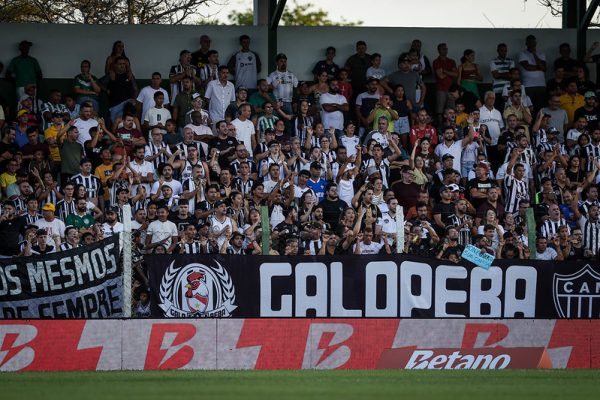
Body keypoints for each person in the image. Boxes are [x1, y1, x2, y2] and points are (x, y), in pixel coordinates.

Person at [518, 35, 547, 112]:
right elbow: (527, 67)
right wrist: (539, 67)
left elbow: (544, 68)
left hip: (541, 85)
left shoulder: (541, 54)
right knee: (529, 108)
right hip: (528, 85)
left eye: (533, 42)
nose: (531, 44)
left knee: (540, 108)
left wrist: (534, 54)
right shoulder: (522, 54)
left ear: (535, 43)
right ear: (526, 43)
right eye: (529, 42)